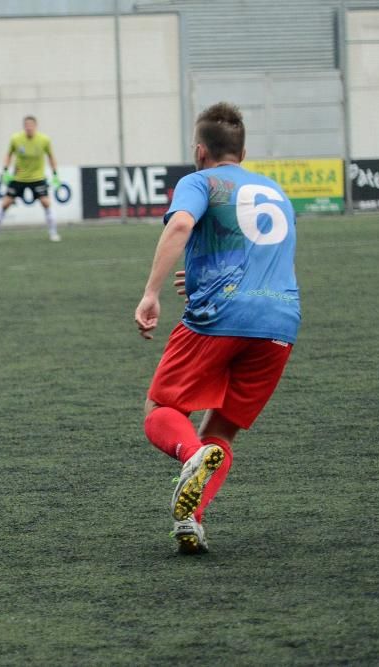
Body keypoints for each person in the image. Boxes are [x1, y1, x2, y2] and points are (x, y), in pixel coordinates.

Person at [134, 102, 300, 555]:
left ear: (200, 150)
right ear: (242, 153)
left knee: (160, 410)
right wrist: (200, 275)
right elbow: (256, 255)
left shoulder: (198, 181)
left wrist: (152, 292)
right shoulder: (275, 191)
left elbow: (182, 224)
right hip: (280, 323)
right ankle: (191, 519)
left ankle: (190, 458)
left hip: (221, 317)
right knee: (221, 434)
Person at [0, 115, 61, 244]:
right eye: (27, 125)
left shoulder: (44, 140)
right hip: (19, 178)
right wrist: (5, 170)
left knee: (46, 203)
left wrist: (55, 174)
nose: (29, 128)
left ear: (35, 126)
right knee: (5, 204)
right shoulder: (16, 139)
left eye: (31, 125)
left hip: (37, 178)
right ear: (24, 127)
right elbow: (8, 154)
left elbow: (51, 156)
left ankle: (53, 233)